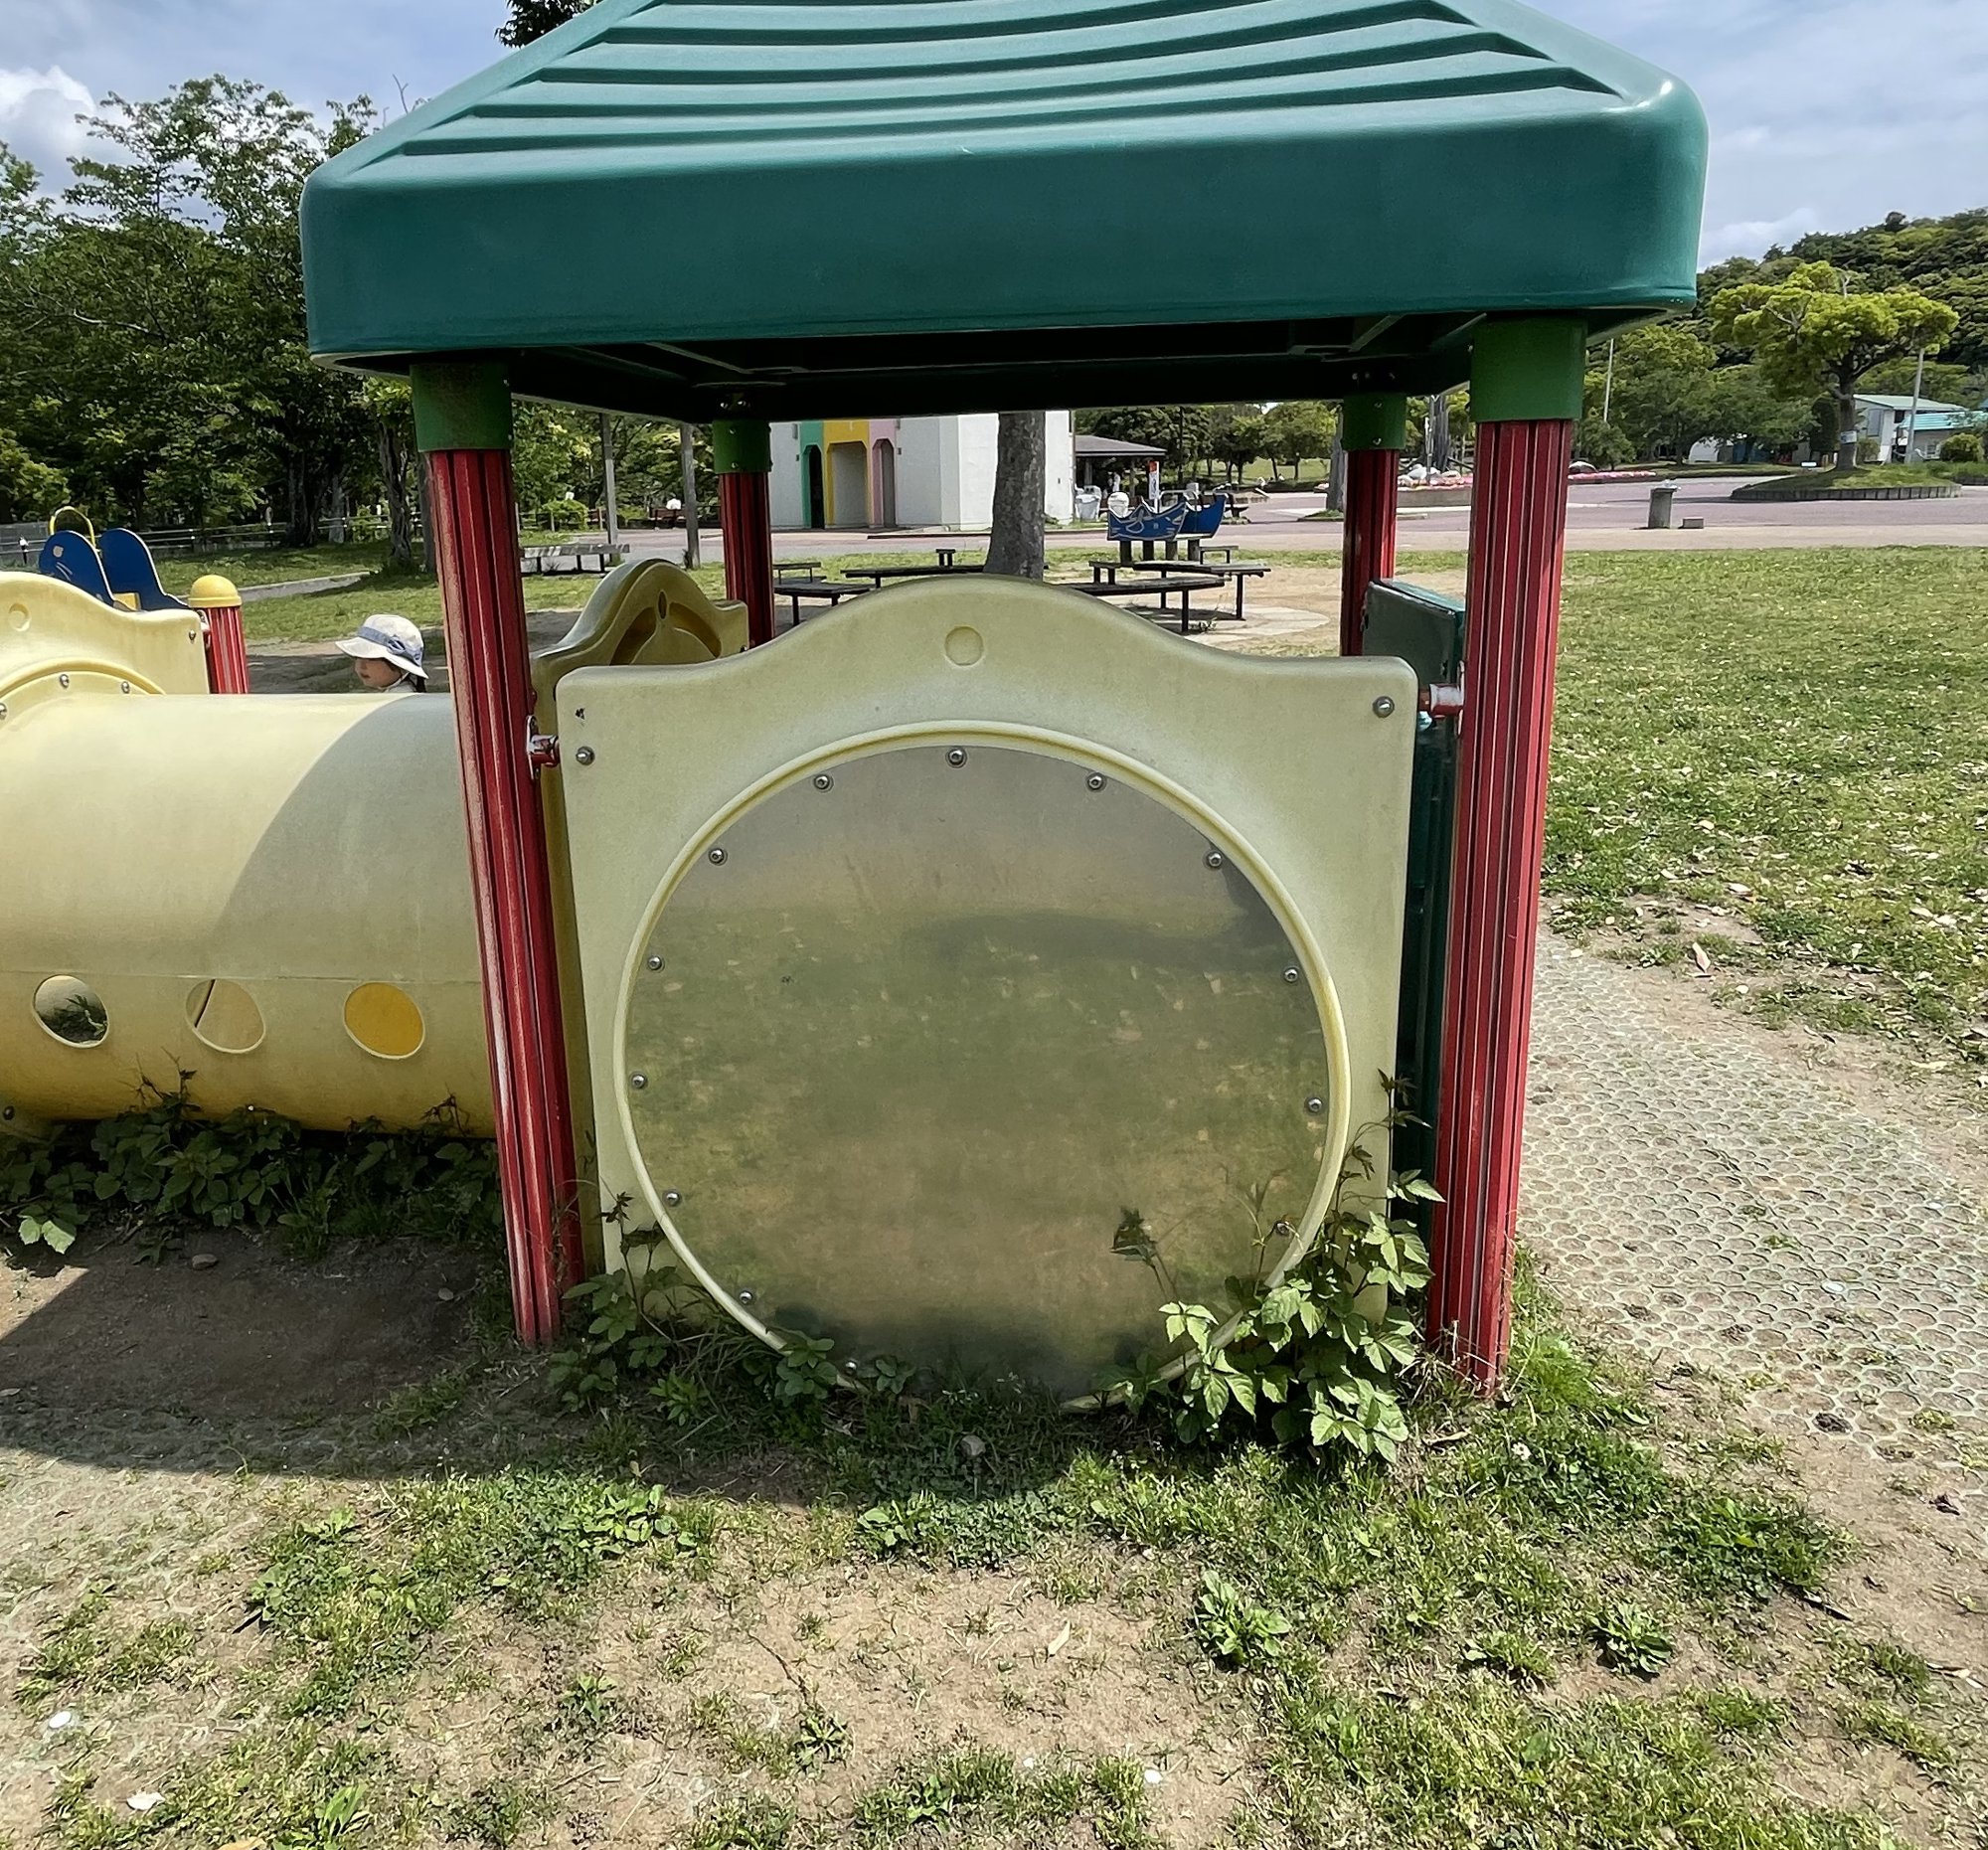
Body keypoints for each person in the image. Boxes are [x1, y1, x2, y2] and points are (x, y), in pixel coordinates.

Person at [336, 614, 427, 691]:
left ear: (400, 666)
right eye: (357, 657)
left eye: (371, 659)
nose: (361, 666)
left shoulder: (399, 700)